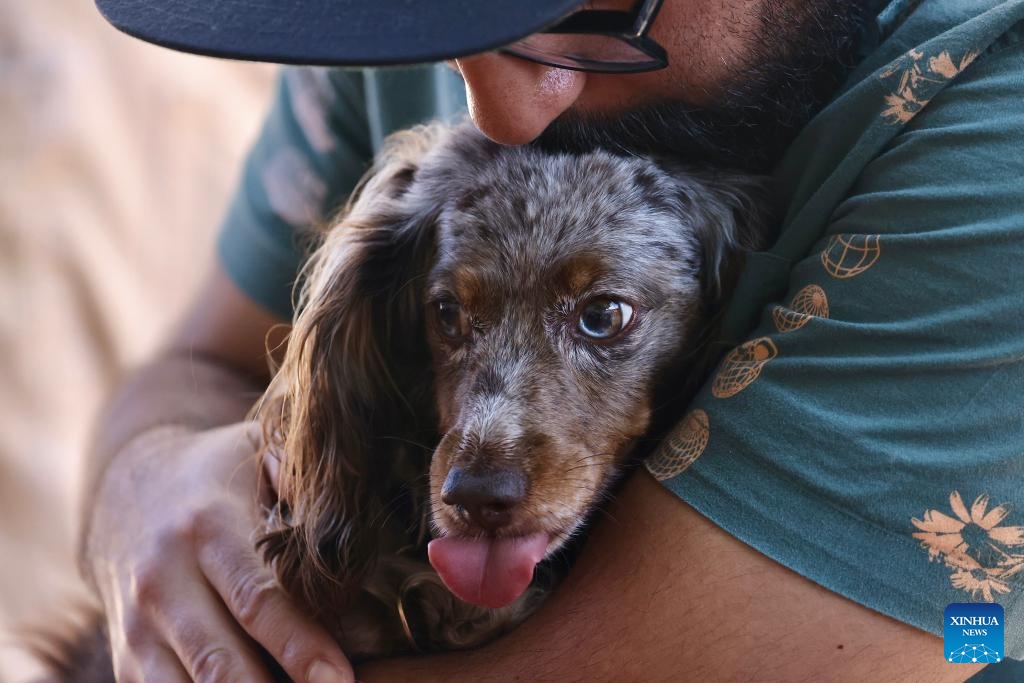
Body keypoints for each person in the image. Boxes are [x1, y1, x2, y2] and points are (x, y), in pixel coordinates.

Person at [83, 0, 1024, 680]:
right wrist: (144, 479)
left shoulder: (997, 126)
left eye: (592, 3)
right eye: (450, 20)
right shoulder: (370, 26)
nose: (496, 113)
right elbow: (200, 364)